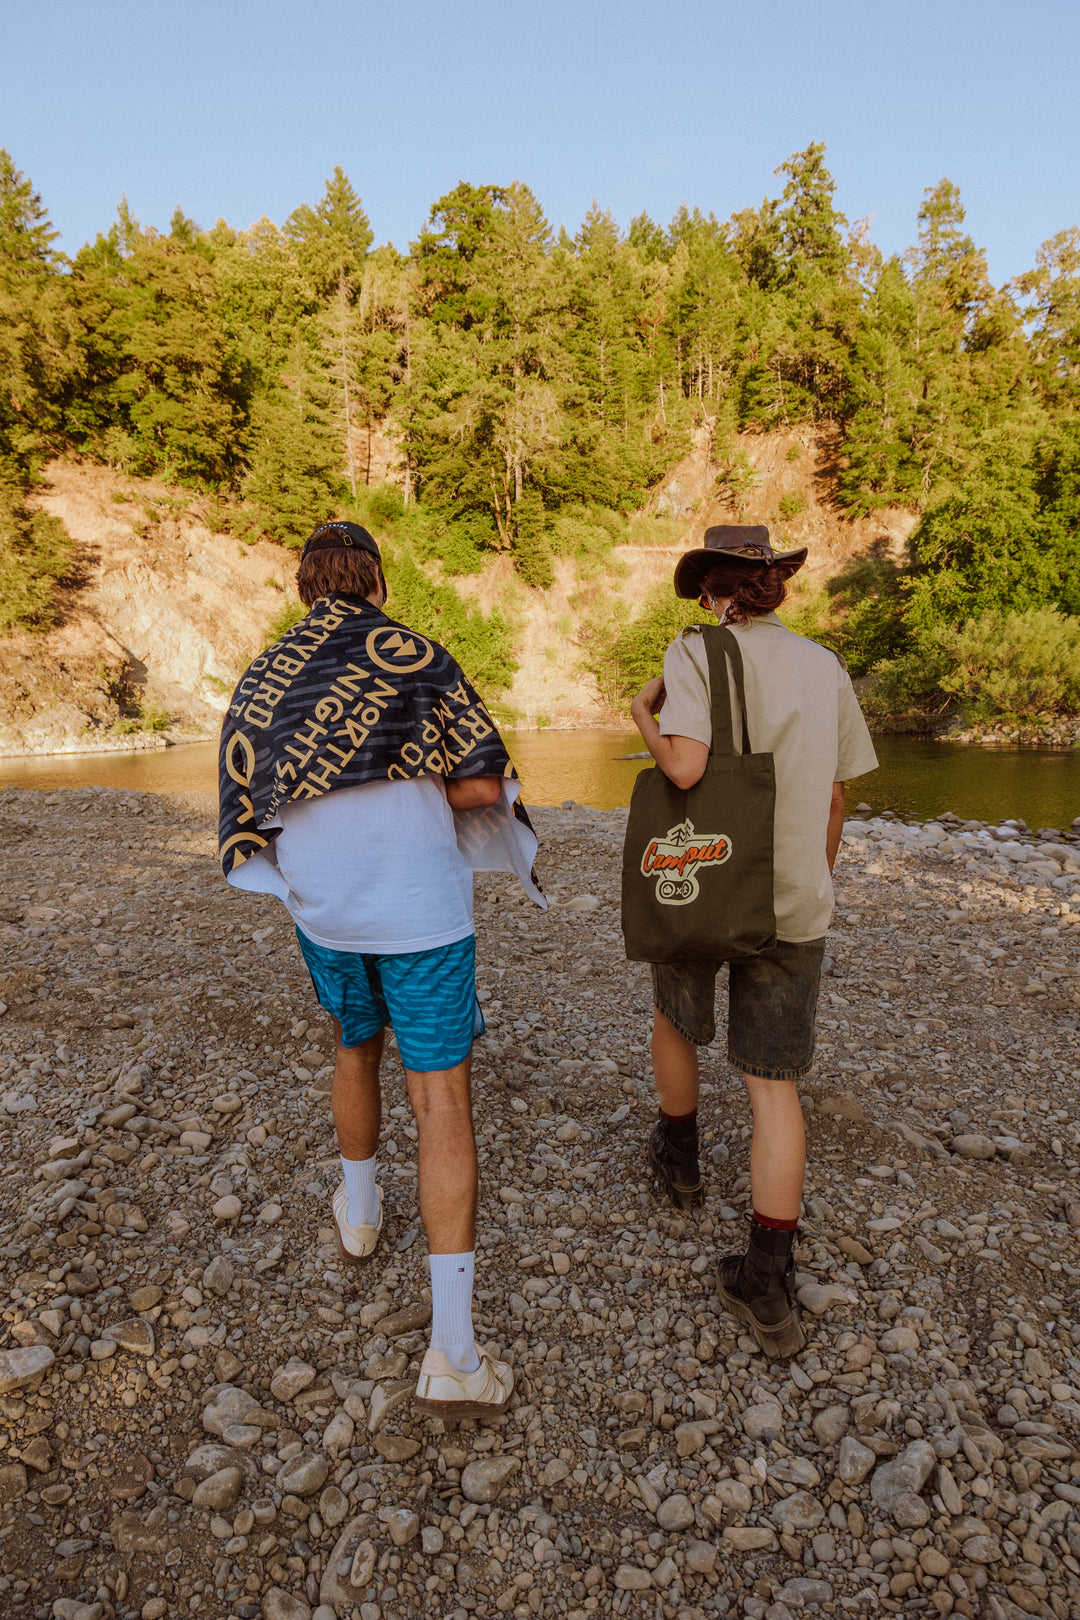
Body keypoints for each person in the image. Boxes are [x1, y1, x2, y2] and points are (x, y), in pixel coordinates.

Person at [218, 520, 545, 1416]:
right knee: (440, 1094)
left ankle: (358, 1215)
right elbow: (483, 786)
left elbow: (248, 805)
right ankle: (452, 1352)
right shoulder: (417, 657)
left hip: (324, 906)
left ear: (304, 588)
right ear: (376, 584)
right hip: (420, 909)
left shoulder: (264, 675)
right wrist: (415, 777)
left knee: (353, 1045)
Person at [628, 524, 878, 1358]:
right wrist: (817, 877)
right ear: (775, 585)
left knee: (675, 1019)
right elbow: (837, 797)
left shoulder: (697, 651)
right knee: (775, 1087)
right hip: (795, 897)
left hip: (708, 885)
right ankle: (767, 1278)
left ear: (714, 591)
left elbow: (688, 770)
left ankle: (682, 1161)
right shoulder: (826, 664)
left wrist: (641, 715)